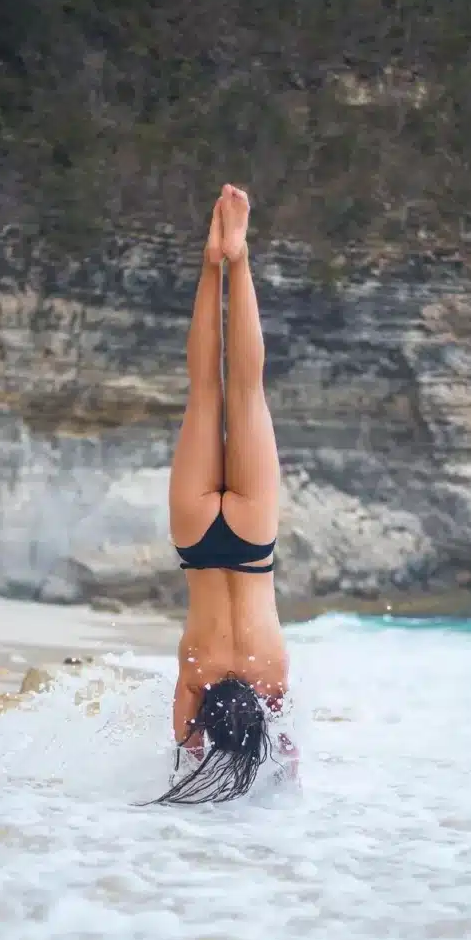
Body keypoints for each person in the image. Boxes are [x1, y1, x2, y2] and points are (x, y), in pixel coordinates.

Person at [151, 185, 298, 805]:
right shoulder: (197, 673)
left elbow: (287, 746)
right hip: (196, 539)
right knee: (205, 392)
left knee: (246, 392)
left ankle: (237, 258)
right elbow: (183, 737)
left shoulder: (272, 677)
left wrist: (288, 767)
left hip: (252, 539)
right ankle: (213, 262)